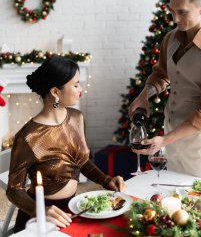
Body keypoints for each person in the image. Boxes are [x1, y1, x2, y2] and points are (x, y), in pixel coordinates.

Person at [129, 0, 201, 179]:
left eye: (182, 12)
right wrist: (145, 95)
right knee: (174, 202)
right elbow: (161, 74)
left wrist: (164, 140)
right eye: (172, 11)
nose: (175, 19)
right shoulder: (170, 38)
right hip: (172, 137)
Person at [6, 56, 126, 233]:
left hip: (73, 210)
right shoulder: (28, 137)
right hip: (41, 219)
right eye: (76, 85)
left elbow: (81, 161)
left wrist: (106, 180)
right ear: (56, 91)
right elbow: (14, 189)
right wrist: (38, 211)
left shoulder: (77, 118)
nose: (81, 89)